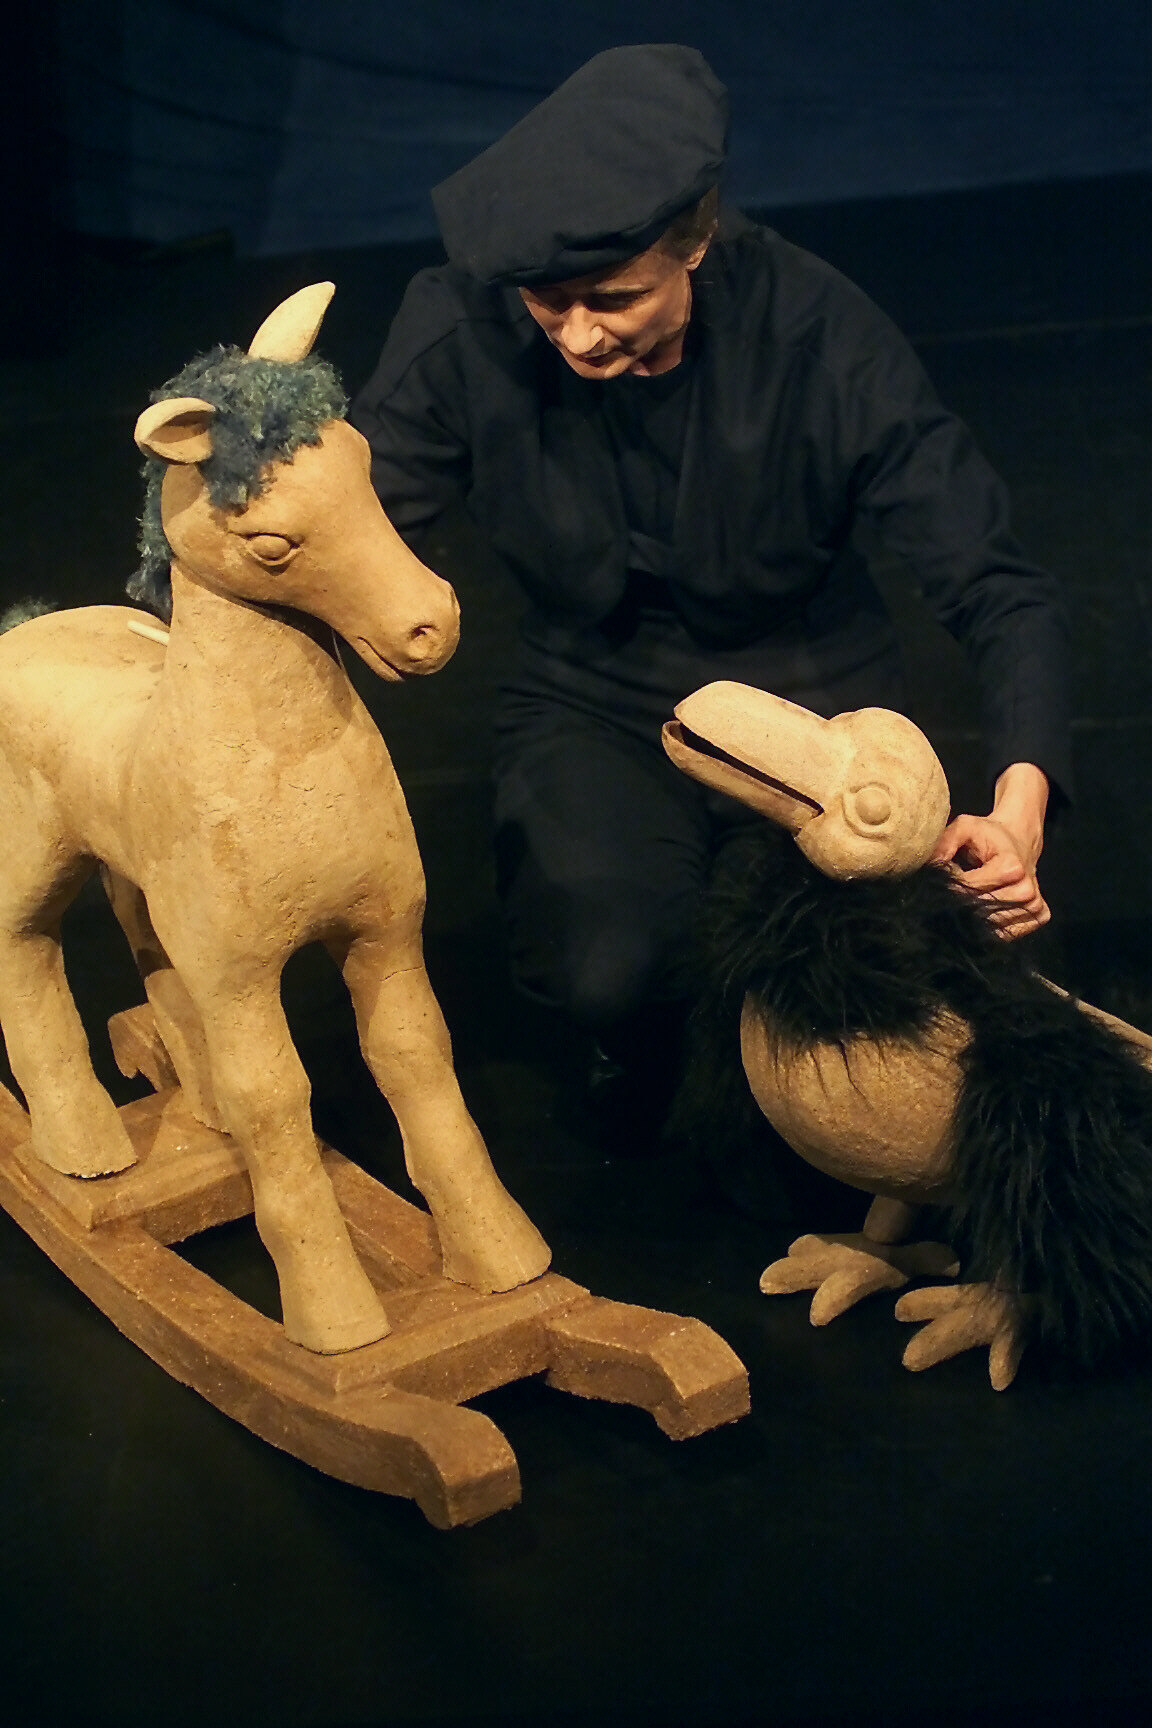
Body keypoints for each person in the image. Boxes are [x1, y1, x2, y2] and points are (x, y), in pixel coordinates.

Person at [351, 44, 1070, 1100]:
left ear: (695, 243)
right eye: (550, 301)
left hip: (811, 696)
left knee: (854, 1004)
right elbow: (344, 533)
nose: (578, 336)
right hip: (595, 692)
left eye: (613, 298)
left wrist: (1018, 810)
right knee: (610, 973)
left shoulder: (821, 336)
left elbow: (997, 585)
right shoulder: (467, 325)